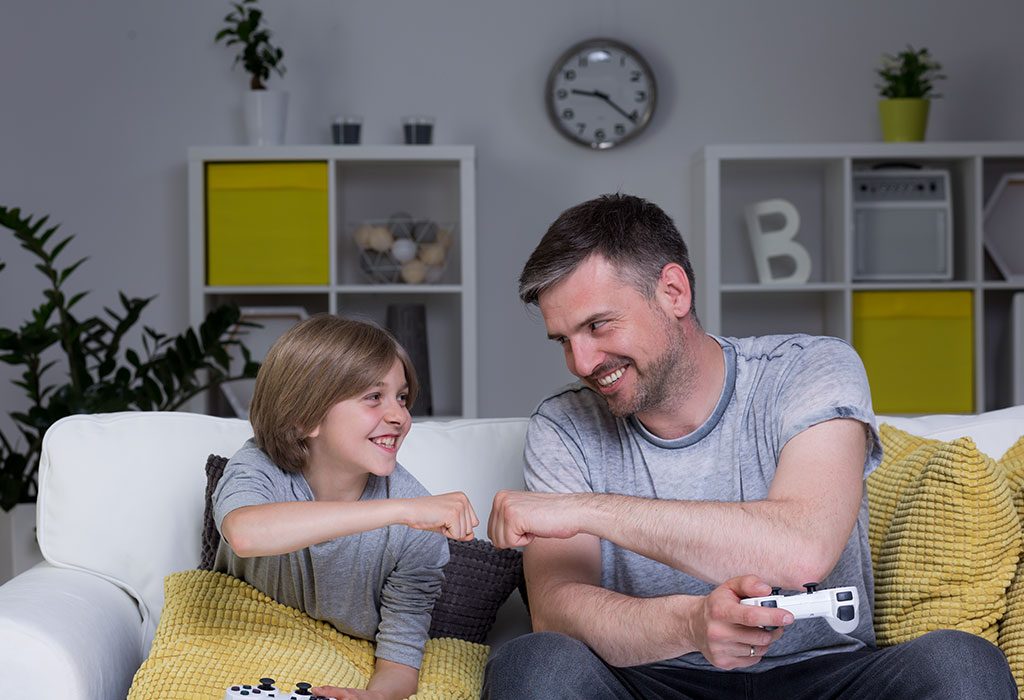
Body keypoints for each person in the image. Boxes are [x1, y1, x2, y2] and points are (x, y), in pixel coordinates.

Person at [483, 194, 1016, 699]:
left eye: (598, 325)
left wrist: (581, 510)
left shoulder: (811, 369)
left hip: (828, 677)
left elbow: (801, 550)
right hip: (653, 681)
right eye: (564, 341)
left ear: (673, 292)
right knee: (533, 663)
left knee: (961, 663)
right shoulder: (563, 426)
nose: (581, 362)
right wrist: (689, 625)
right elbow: (556, 610)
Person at [212, 314, 478, 700]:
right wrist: (399, 511)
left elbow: (399, 660)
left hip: (341, 660)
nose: (399, 416)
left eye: (402, 398)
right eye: (374, 397)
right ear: (305, 417)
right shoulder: (258, 465)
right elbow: (245, 533)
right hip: (241, 642)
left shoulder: (418, 532)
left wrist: (376, 696)